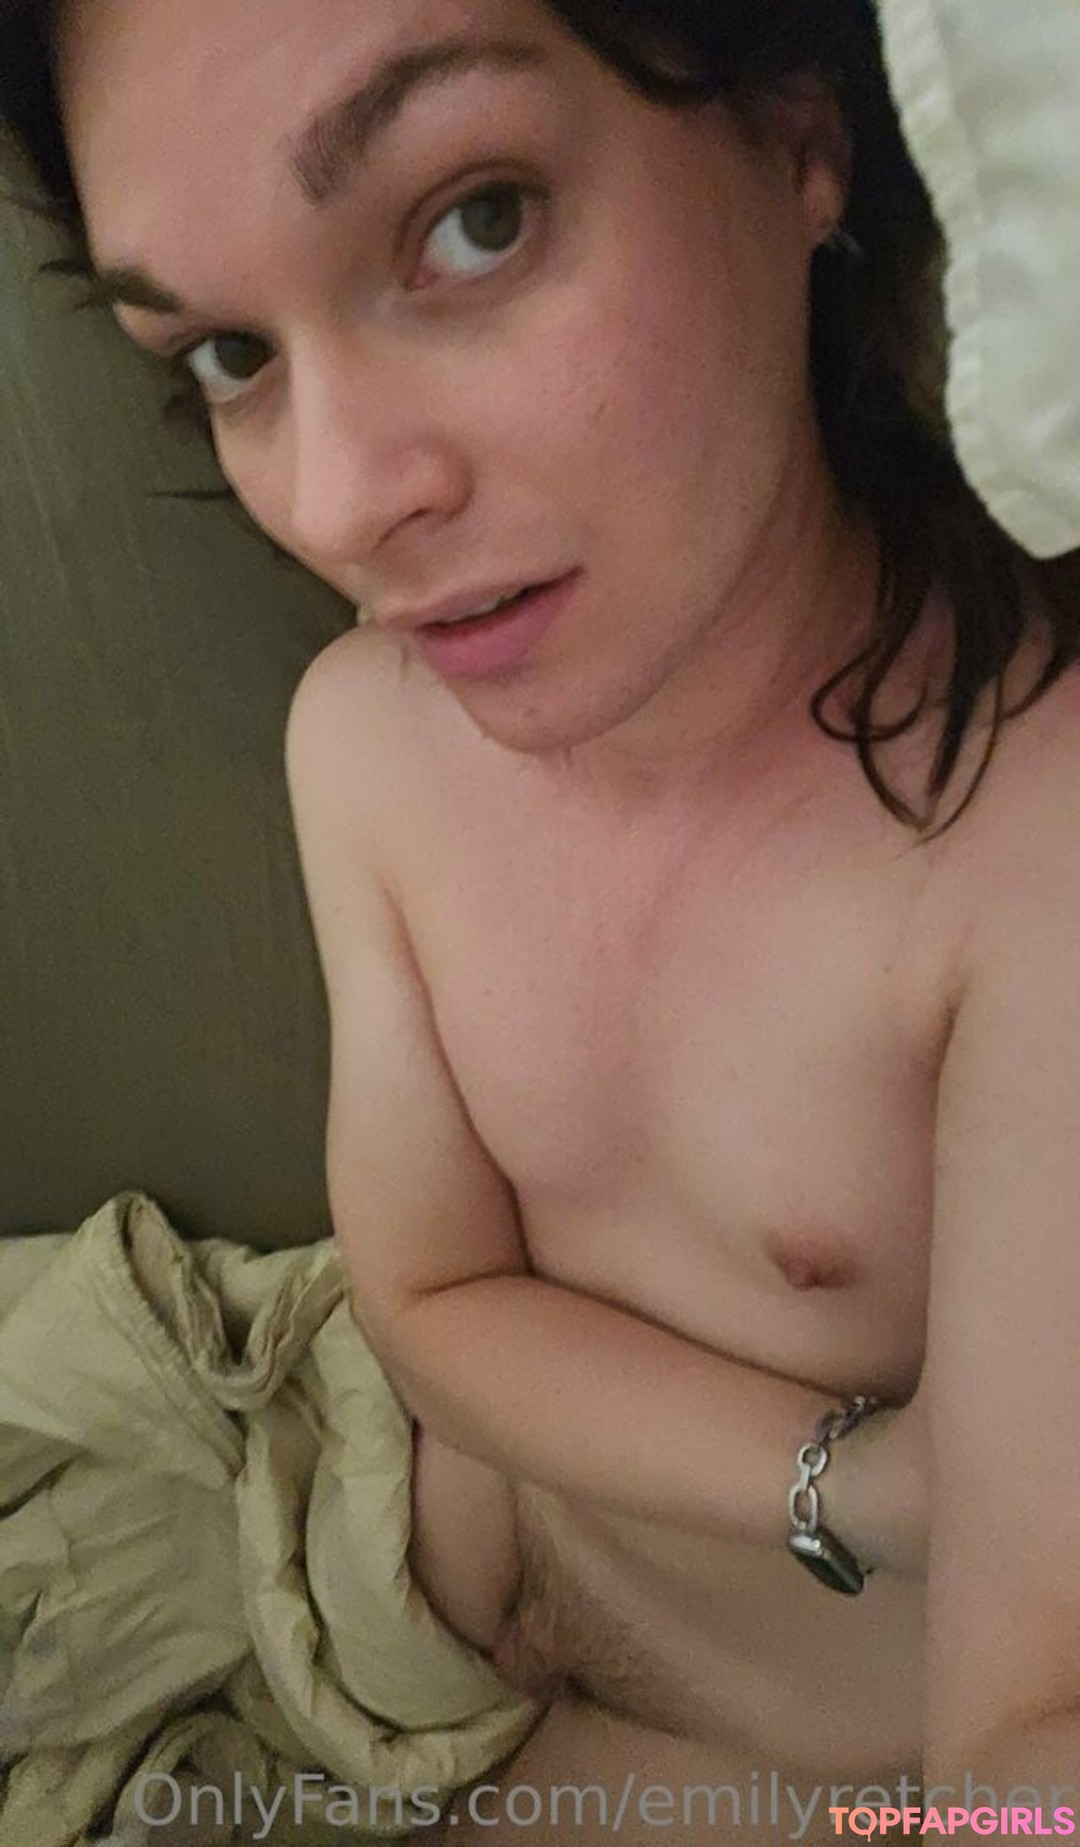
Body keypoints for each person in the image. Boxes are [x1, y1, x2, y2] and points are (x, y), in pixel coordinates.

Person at [4, 0, 1080, 1840]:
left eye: (475, 220)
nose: (338, 501)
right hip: (434, 1630)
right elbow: (427, 1292)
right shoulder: (365, 743)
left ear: (800, 132)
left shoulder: (1025, 863)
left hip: (791, 1783)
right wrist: (859, 1485)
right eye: (232, 354)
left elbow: (1025, 1756)